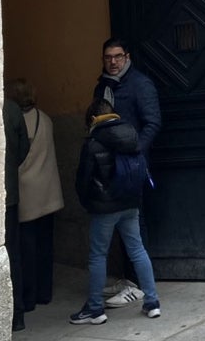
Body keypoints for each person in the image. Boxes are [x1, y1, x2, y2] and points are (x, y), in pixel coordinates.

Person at [70, 98, 161, 325]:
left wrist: (87, 201)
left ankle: (95, 309)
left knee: (98, 254)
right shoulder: (130, 134)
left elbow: (83, 179)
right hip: (130, 203)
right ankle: (152, 303)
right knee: (137, 249)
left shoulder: (93, 142)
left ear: (93, 119)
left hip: (105, 207)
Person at [93, 39, 163, 308]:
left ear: (127, 56)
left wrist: (135, 150)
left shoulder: (139, 84)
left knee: (136, 223)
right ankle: (127, 278)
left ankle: (138, 284)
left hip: (132, 166)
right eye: (108, 57)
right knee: (119, 223)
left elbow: (153, 122)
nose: (113, 61)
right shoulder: (103, 86)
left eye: (118, 56)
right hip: (108, 166)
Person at [7, 80, 64, 316]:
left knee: (25, 249)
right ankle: (45, 292)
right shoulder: (46, 119)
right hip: (48, 192)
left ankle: (28, 297)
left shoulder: (15, 120)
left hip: (27, 192)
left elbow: (16, 154)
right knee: (45, 246)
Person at [3, 96, 31, 332]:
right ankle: (17, 314)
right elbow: (24, 148)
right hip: (9, 193)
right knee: (14, 254)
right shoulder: (12, 108)